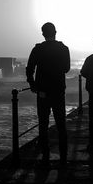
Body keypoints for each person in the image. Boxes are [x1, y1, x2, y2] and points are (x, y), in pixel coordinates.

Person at [26, 22, 70, 166]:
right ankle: (63, 158)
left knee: (43, 125)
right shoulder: (64, 49)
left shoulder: (38, 49)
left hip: (43, 92)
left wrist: (33, 85)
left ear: (43, 34)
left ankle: (45, 157)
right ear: (55, 32)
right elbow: (66, 69)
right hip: (58, 92)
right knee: (61, 126)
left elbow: (29, 69)